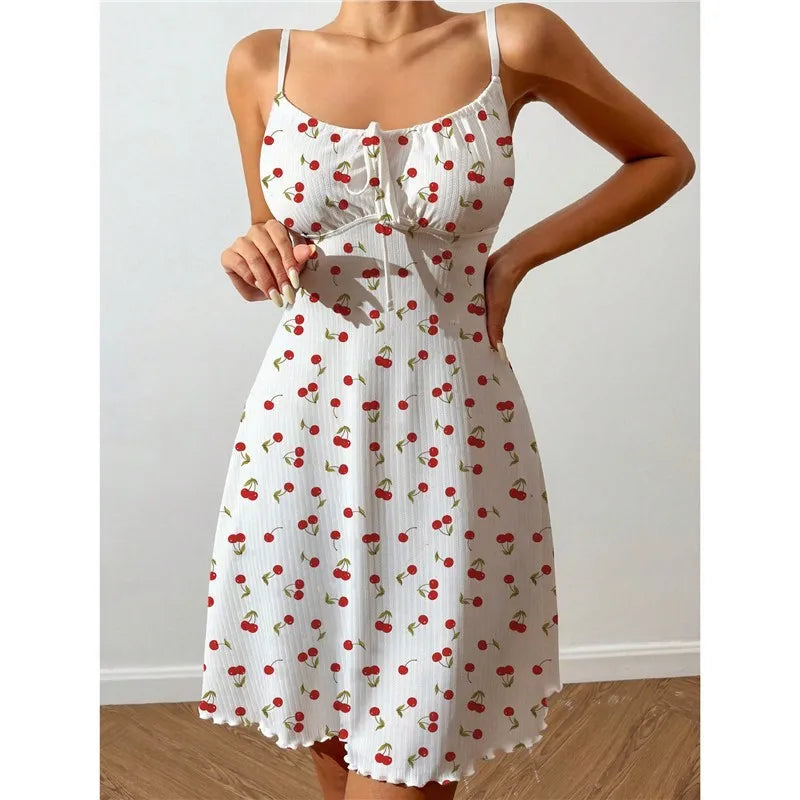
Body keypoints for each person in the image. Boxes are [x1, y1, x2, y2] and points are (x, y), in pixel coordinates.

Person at [198, 3, 695, 799]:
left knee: (411, 748)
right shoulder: (262, 62)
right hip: (302, 448)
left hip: (453, 445)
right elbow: (275, 242)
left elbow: (663, 158)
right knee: (336, 738)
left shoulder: (513, 40)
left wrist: (516, 258)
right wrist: (250, 256)